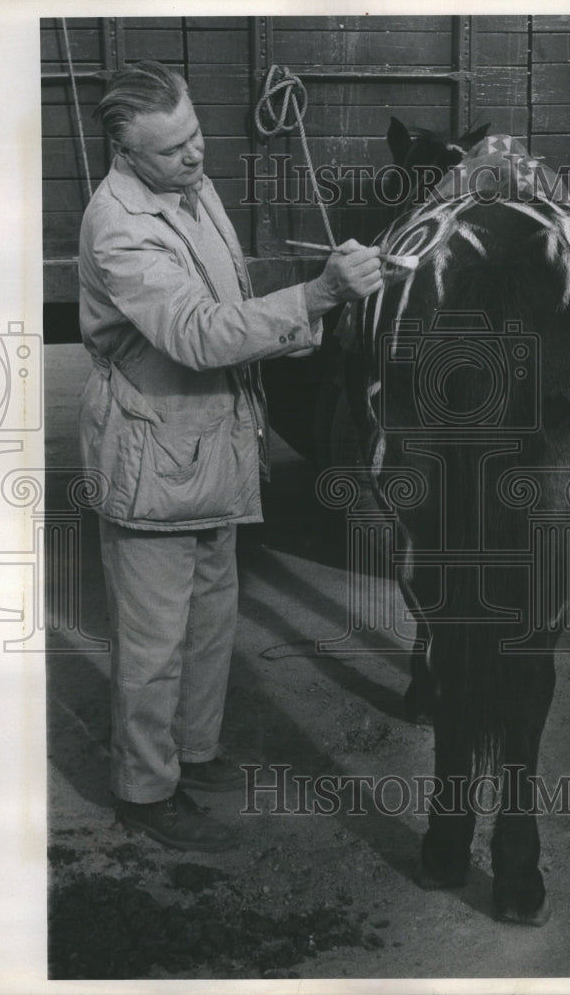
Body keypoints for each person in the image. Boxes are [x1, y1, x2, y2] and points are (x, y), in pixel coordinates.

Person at [78, 60, 382, 852]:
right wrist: (315, 297)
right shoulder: (119, 223)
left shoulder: (190, 187)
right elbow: (198, 333)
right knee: (152, 643)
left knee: (212, 620)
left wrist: (296, 315)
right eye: (171, 150)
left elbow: (229, 301)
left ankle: (197, 755)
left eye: (195, 137)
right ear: (125, 152)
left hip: (213, 440)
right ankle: (145, 791)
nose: (193, 157)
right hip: (153, 447)